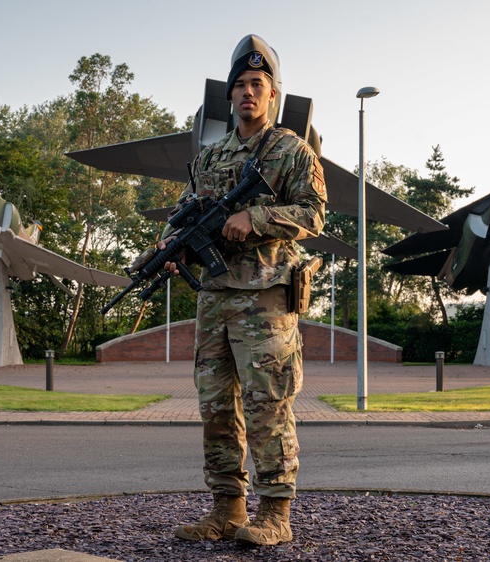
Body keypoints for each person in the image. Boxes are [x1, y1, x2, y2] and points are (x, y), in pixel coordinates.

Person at [162, 35, 326, 546]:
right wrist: (174, 249)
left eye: (258, 84)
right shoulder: (209, 158)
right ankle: (227, 509)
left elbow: (314, 214)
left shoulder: (291, 151)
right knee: (215, 407)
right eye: (240, 86)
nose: (248, 93)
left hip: (265, 297)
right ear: (230, 97)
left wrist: (254, 218)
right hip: (215, 297)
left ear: (272, 94)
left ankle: (276, 514)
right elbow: (185, 213)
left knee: (267, 405)